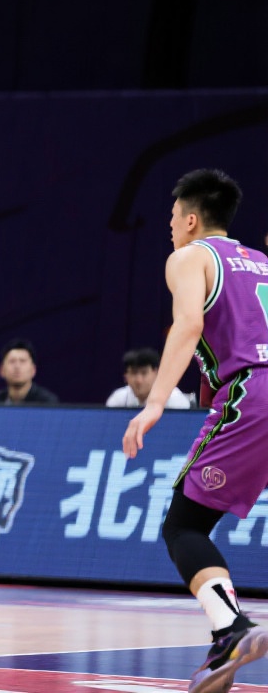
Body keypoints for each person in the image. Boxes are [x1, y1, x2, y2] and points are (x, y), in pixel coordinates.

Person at [122, 169, 268, 693]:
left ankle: (230, 628)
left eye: (171, 217)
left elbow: (188, 325)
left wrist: (154, 403)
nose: (168, 226)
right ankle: (225, 642)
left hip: (253, 394)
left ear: (189, 219)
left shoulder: (189, 256)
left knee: (184, 527)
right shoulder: (263, 262)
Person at [105, 347, 191, 409]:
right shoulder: (118, 398)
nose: (139, 380)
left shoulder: (175, 400)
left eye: (144, 373)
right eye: (134, 373)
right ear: (125, 376)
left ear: (156, 373)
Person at [0, 338, 59, 404]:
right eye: (12, 361)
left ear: (33, 370)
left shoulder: (47, 403)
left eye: (22, 361)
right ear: (2, 370)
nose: (17, 366)